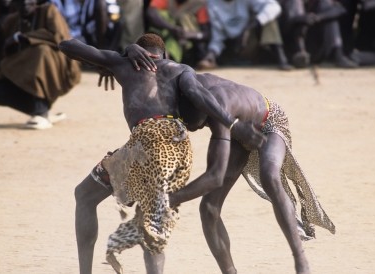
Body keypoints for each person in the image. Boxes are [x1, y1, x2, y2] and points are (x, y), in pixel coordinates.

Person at [103, 43, 335, 274]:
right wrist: (126, 51)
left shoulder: (218, 109)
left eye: (192, 124)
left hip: (268, 122)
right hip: (237, 133)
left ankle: (300, 259)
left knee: (269, 175)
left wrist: (170, 199)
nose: (191, 129)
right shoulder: (181, 87)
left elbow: (214, 177)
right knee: (209, 209)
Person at [58, 33, 266, 274]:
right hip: (179, 148)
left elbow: (67, 45)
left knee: (84, 195)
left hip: (146, 143)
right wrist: (232, 124)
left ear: (140, 51)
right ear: (164, 54)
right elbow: (196, 92)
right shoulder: (181, 69)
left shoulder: (124, 63)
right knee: (153, 219)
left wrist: (125, 52)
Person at [0, 0, 81, 129]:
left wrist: (23, 38)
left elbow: (59, 37)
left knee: (40, 52)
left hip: (56, 68)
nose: (25, 3)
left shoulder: (49, 11)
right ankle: (41, 110)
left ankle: (40, 111)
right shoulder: (13, 20)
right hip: (23, 74)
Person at [197, 0, 293, 70]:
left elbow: (274, 7)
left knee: (269, 20)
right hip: (234, 45)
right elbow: (217, 34)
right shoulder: (212, 3)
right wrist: (211, 54)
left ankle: (281, 58)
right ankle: (223, 59)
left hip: (251, 37)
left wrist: (252, 26)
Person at [145, 0, 210, 67]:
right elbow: (151, 13)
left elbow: (206, 34)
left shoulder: (198, 3)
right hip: (166, 34)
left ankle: (168, 59)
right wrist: (171, 28)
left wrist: (189, 35)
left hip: (187, 41)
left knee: (185, 19)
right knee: (162, 14)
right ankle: (161, 54)